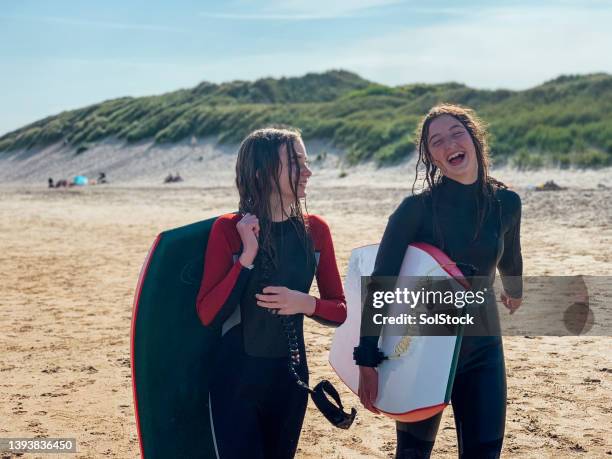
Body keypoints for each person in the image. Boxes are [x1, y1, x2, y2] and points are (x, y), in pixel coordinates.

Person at [354, 104, 523, 459]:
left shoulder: (506, 203)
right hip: (424, 347)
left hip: (483, 346)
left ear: (474, 139)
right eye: (437, 141)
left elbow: (508, 255)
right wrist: (366, 357)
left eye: (456, 134)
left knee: (485, 452)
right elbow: (381, 286)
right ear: (431, 156)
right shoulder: (415, 210)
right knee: (413, 454)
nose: (449, 145)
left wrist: (514, 289)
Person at [195, 127, 347, 459]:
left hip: (290, 380)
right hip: (234, 381)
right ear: (262, 172)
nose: (307, 171)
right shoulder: (229, 230)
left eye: (306, 162)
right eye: (295, 163)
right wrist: (246, 257)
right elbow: (208, 313)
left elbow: (339, 309)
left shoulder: (316, 231)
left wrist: (304, 303)